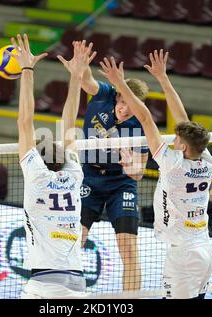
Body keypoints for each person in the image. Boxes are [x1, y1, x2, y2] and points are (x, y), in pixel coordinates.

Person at [98, 50, 212, 299]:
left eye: (177, 138)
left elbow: (144, 116)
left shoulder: (172, 164)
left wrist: (119, 83)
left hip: (183, 253)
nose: (173, 138)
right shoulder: (207, 160)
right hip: (205, 248)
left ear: (183, 146)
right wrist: (163, 79)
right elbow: (183, 120)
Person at [13, 34, 96, 299]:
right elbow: (69, 123)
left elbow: (25, 121)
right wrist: (76, 77)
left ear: (37, 157)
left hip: (44, 282)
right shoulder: (74, 174)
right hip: (77, 281)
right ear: (61, 157)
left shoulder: (36, 175)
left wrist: (27, 70)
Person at [80, 46, 150, 292]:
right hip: (89, 178)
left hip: (121, 184)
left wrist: (131, 165)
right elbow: (87, 81)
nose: (126, 108)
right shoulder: (105, 95)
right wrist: (81, 64)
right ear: (118, 95)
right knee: (74, 240)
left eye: (132, 105)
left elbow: (139, 174)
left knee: (129, 250)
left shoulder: (140, 124)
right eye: (123, 102)